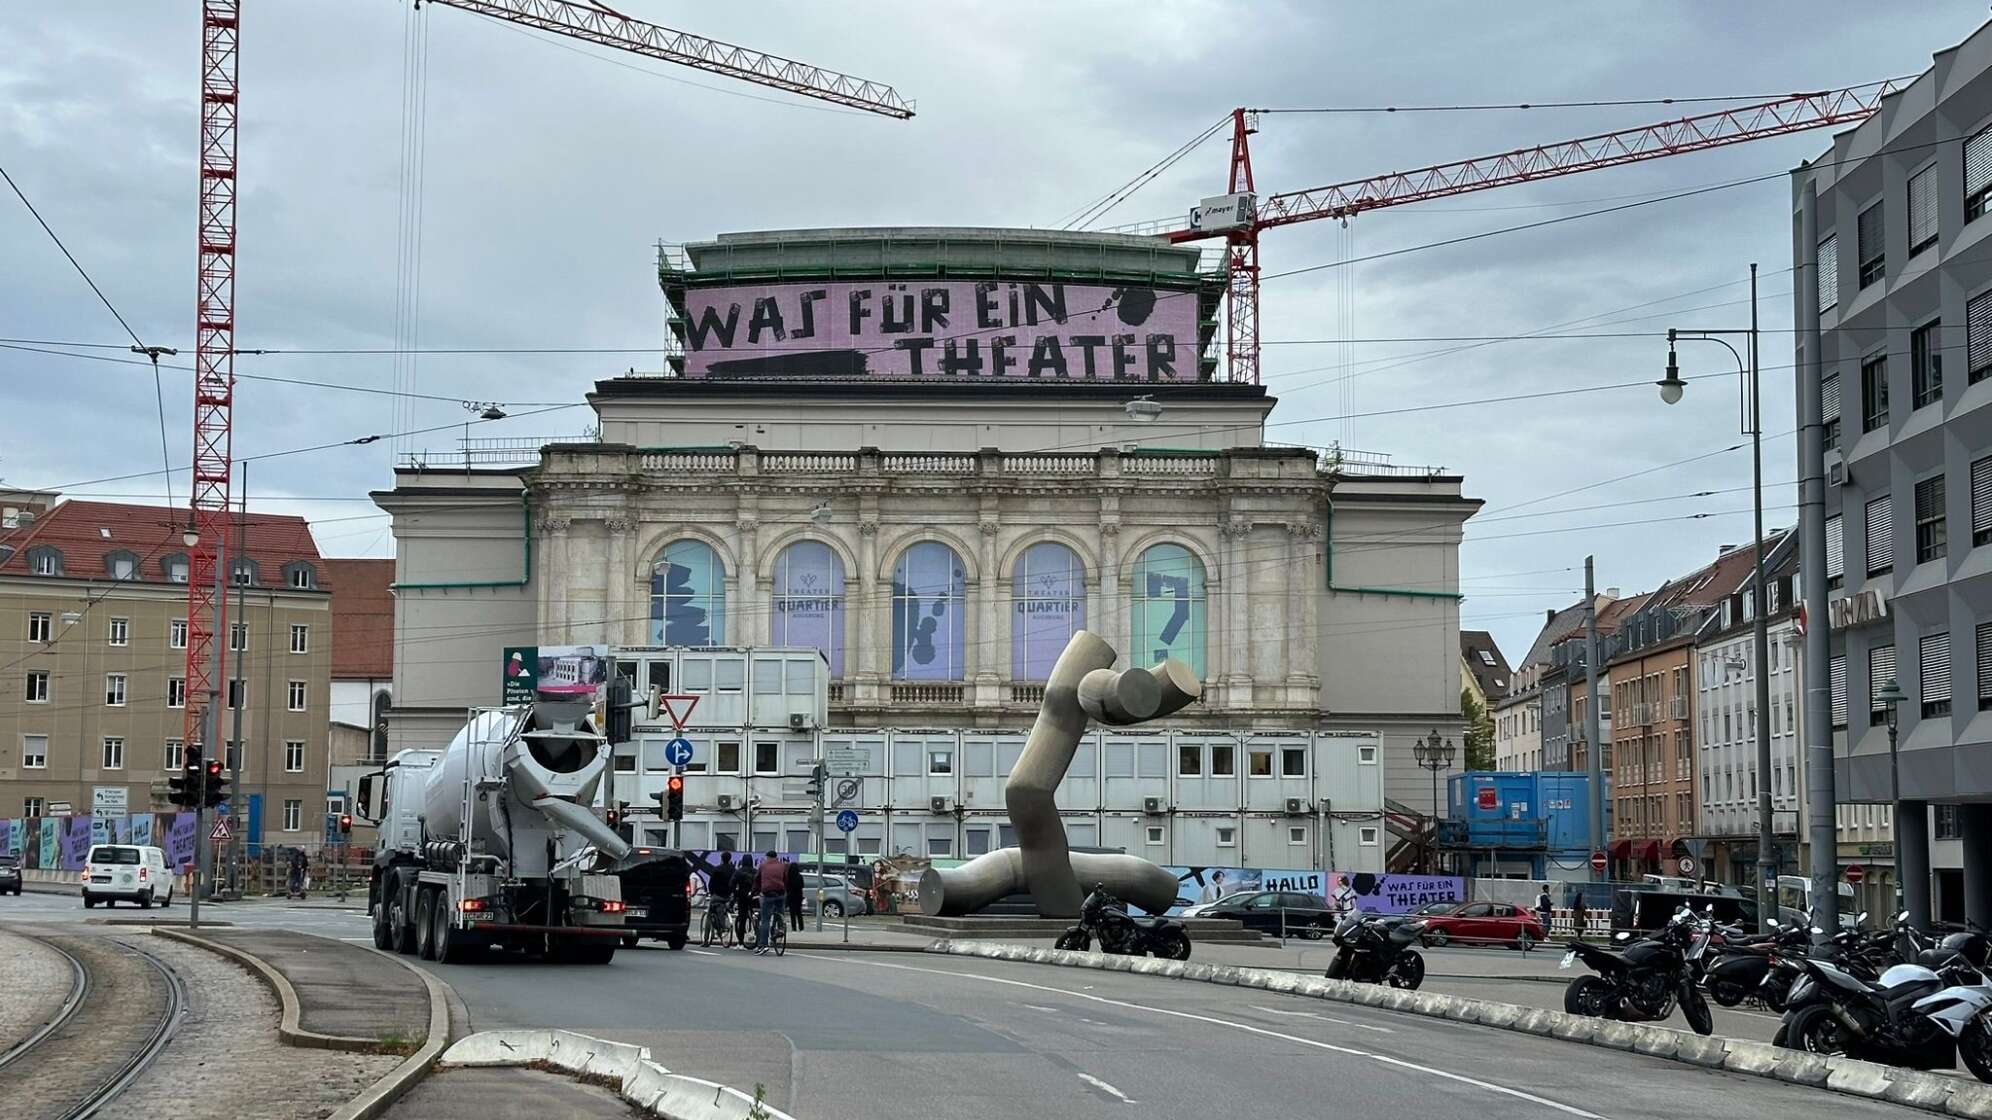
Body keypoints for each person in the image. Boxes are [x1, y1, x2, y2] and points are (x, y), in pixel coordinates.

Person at [755, 850, 788, 953]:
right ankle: (781, 928)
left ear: (767, 857)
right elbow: (785, 879)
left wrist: (754, 892)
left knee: (765, 919)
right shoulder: (782, 866)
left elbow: (757, 880)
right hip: (781, 893)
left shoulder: (763, 866)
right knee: (780, 912)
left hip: (768, 894)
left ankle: (763, 945)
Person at [733, 855, 758, 947]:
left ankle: (740, 942)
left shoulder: (739, 872)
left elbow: (732, 884)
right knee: (757, 914)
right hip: (754, 897)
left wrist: (736, 894)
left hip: (742, 896)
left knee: (742, 918)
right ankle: (758, 932)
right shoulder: (756, 871)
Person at [785, 857, 805, 931]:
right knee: (799, 913)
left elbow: (786, 886)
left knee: (792, 913)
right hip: (798, 896)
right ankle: (801, 927)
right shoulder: (800, 876)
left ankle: (794, 928)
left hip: (791, 896)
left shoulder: (788, 877)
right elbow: (802, 885)